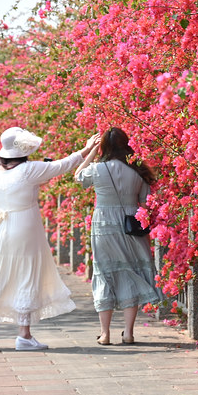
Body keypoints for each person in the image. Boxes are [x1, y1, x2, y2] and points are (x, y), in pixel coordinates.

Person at [0, 127, 86, 352]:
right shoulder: (30, 169)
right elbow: (63, 164)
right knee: (27, 274)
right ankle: (24, 334)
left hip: (0, 228)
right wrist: (88, 149)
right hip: (24, 227)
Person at [74, 127, 159, 345]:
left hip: (104, 225)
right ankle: (129, 333)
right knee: (130, 272)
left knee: (105, 273)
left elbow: (78, 176)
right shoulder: (137, 170)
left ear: (105, 146)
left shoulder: (98, 169)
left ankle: (105, 333)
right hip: (132, 224)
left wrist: (91, 151)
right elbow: (146, 199)